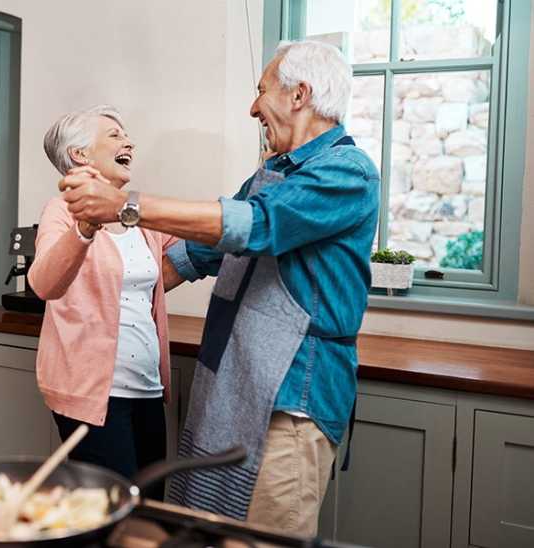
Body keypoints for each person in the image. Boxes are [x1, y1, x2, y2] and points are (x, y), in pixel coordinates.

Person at [57, 42, 380, 534]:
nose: (253, 107)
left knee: (261, 539)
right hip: (234, 392)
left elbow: (256, 225)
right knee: (208, 534)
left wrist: (125, 204)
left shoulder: (347, 173)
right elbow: (196, 253)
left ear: (299, 94)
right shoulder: (272, 173)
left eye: (261, 90)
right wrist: (87, 297)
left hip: (291, 404)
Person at [28, 105, 178, 498]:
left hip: (147, 388)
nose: (128, 141)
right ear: (80, 154)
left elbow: (193, 251)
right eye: (114, 134)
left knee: (151, 508)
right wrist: (85, 226)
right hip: (92, 397)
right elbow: (43, 283)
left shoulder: (137, 214)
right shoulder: (60, 211)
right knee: (111, 511)